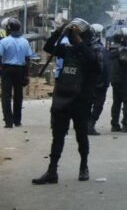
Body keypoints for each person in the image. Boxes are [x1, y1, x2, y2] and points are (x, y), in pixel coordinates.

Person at [32, 18, 100, 184]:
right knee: (58, 136)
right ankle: (52, 170)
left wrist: (79, 43)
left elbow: (94, 64)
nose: (72, 37)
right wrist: (59, 31)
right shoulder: (67, 50)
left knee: (81, 134)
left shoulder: (92, 52)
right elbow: (48, 48)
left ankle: (84, 166)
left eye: (75, 35)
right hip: (63, 99)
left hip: (81, 102)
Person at [0, 18, 33, 128]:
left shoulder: (3, 41)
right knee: (18, 95)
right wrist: (27, 74)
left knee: (6, 96)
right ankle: (17, 120)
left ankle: (8, 122)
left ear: (8, 29)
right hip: (20, 70)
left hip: (7, 69)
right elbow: (28, 59)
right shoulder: (25, 41)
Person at [109, 28, 127, 133]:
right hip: (123, 79)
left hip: (115, 79)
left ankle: (114, 124)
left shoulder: (112, 48)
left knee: (116, 102)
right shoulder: (122, 49)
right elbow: (124, 59)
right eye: (125, 38)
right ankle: (126, 124)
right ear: (121, 39)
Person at [87, 24, 110, 136]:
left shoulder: (84, 47)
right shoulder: (99, 48)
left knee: (87, 104)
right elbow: (102, 67)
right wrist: (101, 82)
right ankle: (90, 125)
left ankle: (86, 124)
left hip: (87, 83)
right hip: (98, 83)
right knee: (98, 105)